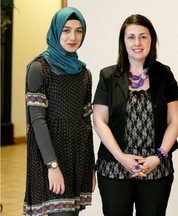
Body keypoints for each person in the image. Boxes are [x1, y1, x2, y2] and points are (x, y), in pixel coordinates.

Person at [92, 14, 178, 216]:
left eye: (143, 36)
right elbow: (99, 120)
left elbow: (175, 120)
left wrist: (159, 156)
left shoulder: (164, 74)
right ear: (123, 42)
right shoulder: (108, 76)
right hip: (114, 167)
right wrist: (121, 157)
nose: (137, 43)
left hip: (156, 168)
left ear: (152, 39)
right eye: (131, 37)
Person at [23, 7, 96, 216]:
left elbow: (86, 124)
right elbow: (38, 121)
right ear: (55, 32)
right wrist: (52, 166)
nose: (73, 37)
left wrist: (90, 166)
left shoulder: (84, 74)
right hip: (50, 156)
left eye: (79, 31)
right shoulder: (40, 68)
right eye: (66, 30)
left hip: (77, 156)